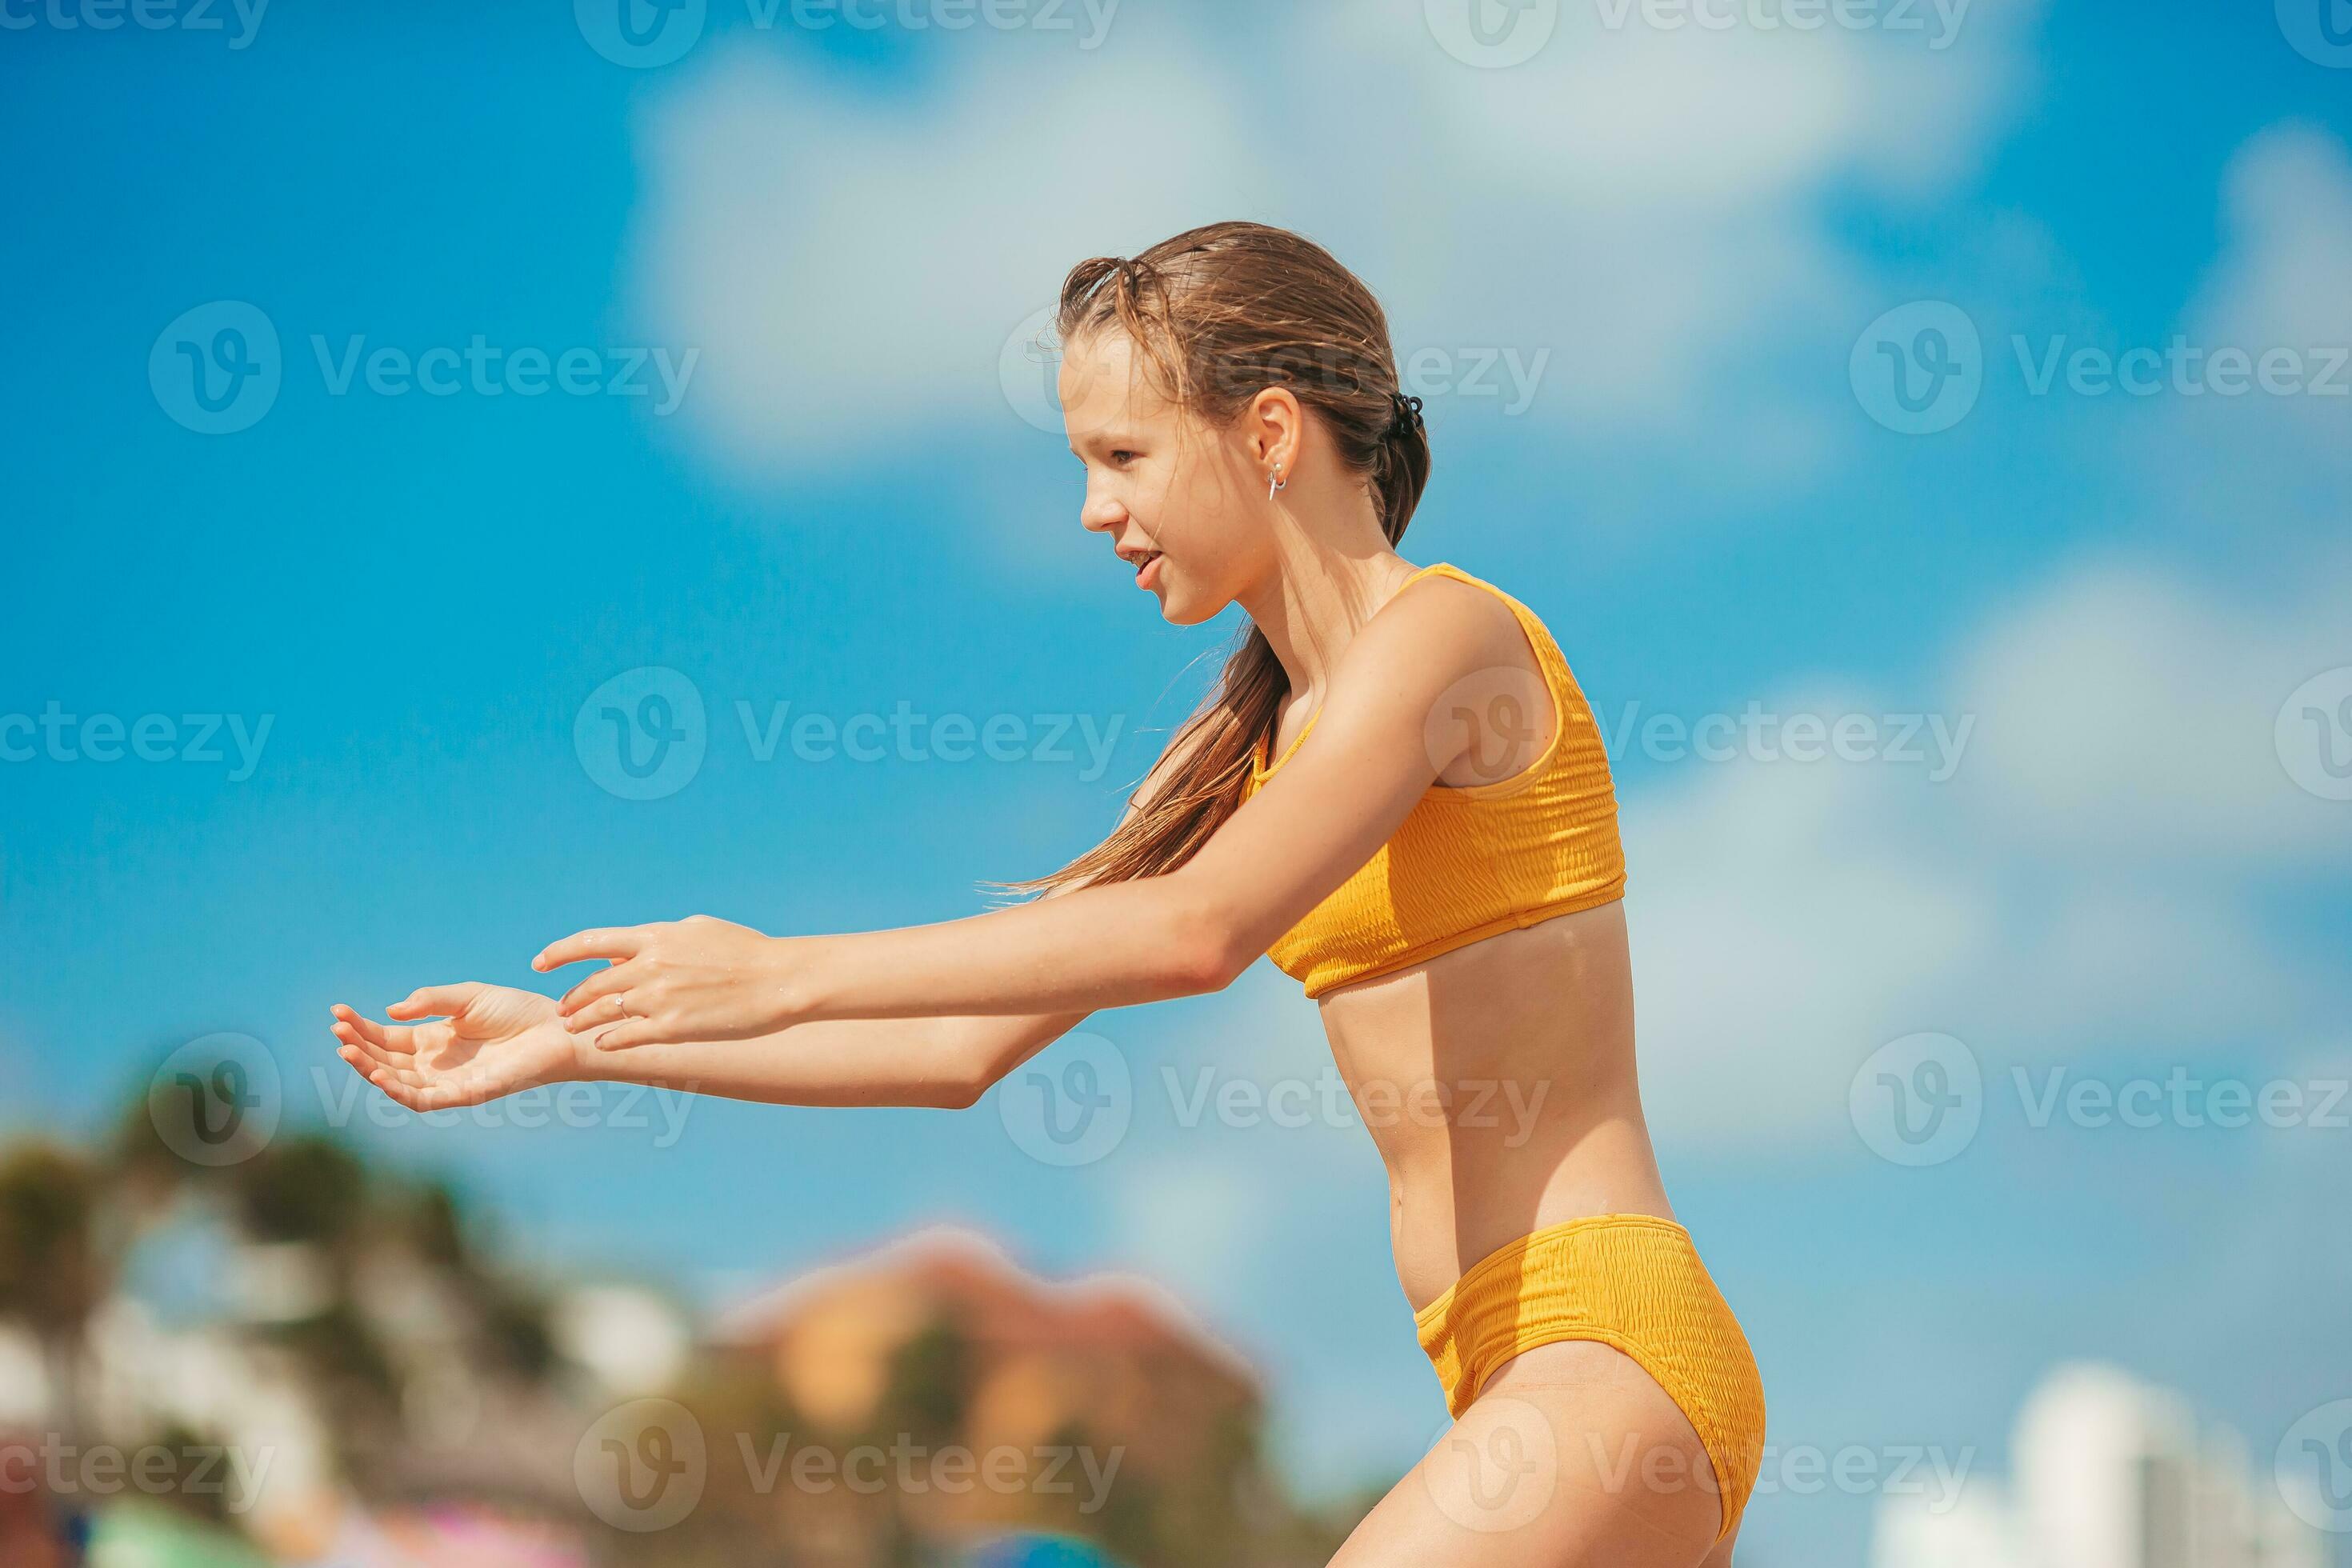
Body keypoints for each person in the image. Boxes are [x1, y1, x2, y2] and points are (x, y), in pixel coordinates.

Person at [331, 221, 1766, 1566]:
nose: (1094, 510)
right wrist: (593, 1036)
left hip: (1609, 1342)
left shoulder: (1449, 639)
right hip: (1498, 1373)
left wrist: (782, 966)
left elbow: (1198, 937)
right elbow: (956, 1052)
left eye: (1124, 455)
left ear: (1269, 432)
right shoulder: (1238, 759)